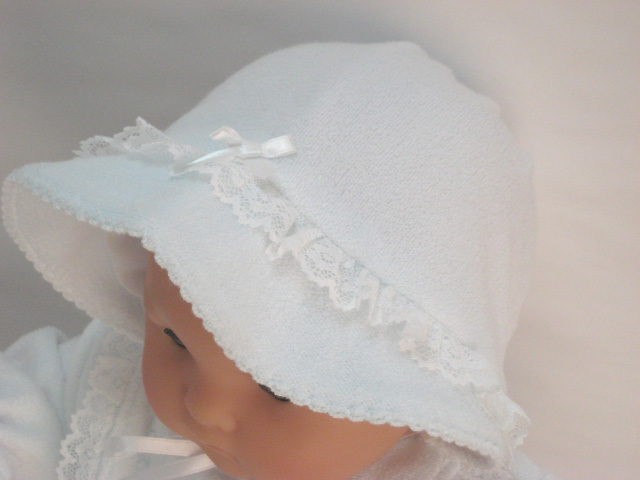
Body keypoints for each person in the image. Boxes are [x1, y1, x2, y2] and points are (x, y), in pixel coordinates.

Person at [0, 41, 558, 479]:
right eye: (174, 338)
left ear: (419, 407)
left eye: (279, 389)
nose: (206, 407)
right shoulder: (98, 382)